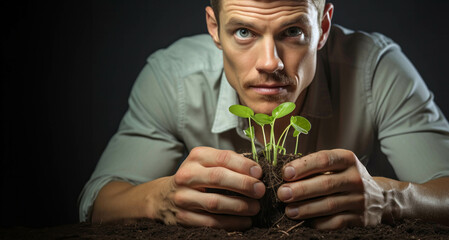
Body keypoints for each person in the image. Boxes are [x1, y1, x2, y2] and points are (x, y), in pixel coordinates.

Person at [79, 0, 449, 230]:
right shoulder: (172, 77)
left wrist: (389, 199)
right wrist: (161, 199)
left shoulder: (375, 69)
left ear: (321, 27)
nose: (269, 63)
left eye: (292, 32)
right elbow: (99, 200)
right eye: (244, 32)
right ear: (214, 28)